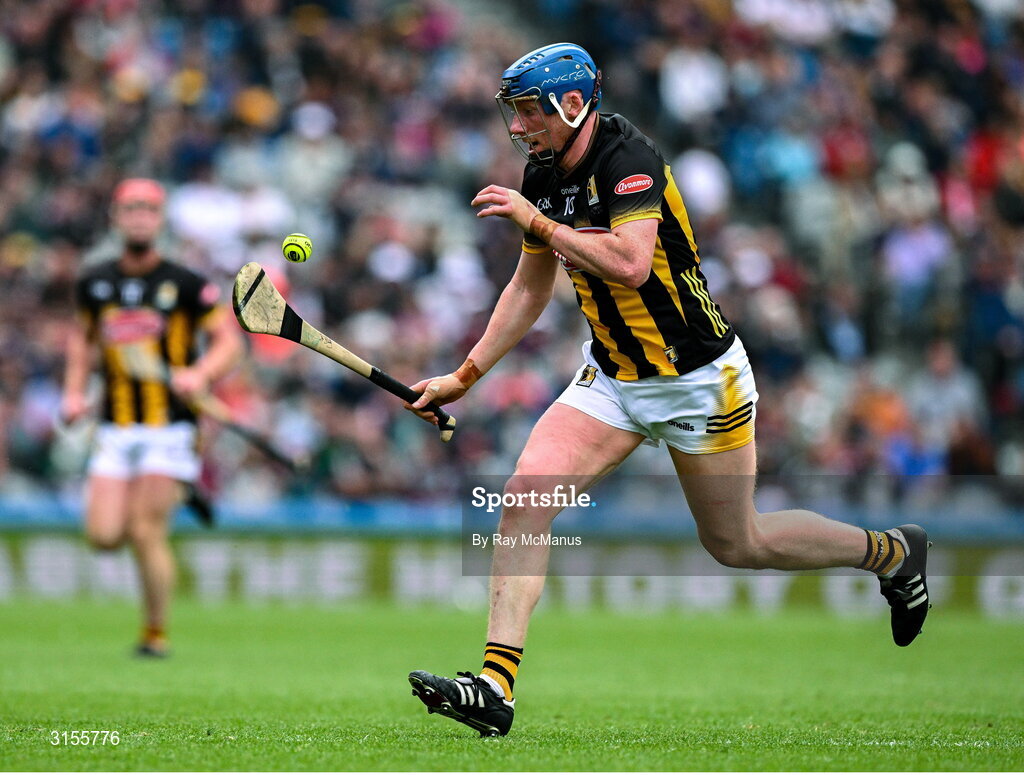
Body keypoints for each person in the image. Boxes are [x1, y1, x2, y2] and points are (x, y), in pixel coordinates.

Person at [403, 44, 931, 737]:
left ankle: (892, 552)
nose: (520, 127)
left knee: (738, 543)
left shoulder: (629, 159)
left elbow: (630, 263)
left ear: (570, 104)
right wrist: (465, 374)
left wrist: (538, 223)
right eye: (516, 113)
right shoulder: (541, 175)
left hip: (696, 382)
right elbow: (531, 285)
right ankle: (495, 688)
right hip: (614, 378)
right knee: (524, 500)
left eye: (529, 112)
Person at [61, 178, 242, 657]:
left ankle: (154, 634)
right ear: (115, 217)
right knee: (103, 537)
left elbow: (229, 342)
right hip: (115, 425)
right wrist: (74, 392)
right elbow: (81, 341)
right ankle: (184, 490)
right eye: (130, 208)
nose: (139, 216)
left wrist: (198, 373)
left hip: (171, 425)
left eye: (148, 209)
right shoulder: (94, 281)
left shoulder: (186, 283)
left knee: (145, 529)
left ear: (160, 220)